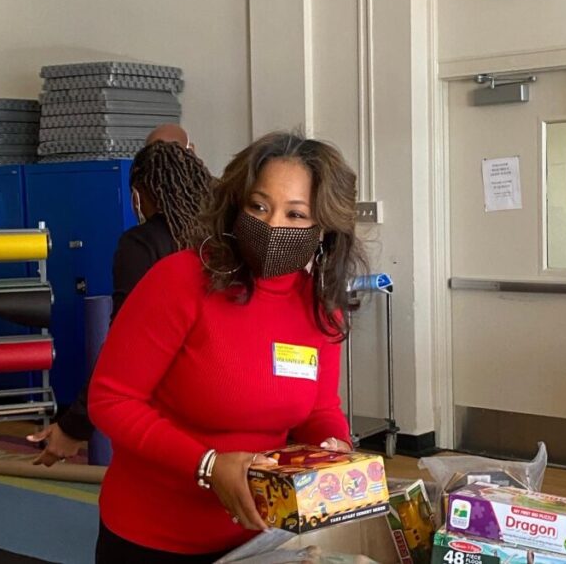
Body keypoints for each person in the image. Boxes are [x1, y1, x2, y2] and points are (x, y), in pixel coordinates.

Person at [88, 131, 369, 562]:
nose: (272, 226)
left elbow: (318, 409)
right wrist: (208, 464)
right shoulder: (178, 280)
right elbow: (112, 399)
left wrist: (335, 449)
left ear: (323, 229)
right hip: (152, 536)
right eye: (259, 206)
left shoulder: (320, 305)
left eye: (295, 215)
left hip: (260, 538)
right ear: (236, 205)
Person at [28, 126, 214, 466]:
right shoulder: (222, 237)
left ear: (140, 193)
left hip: (166, 403)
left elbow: (123, 344)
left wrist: (74, 425)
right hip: (220, 401)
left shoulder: (142, 244)